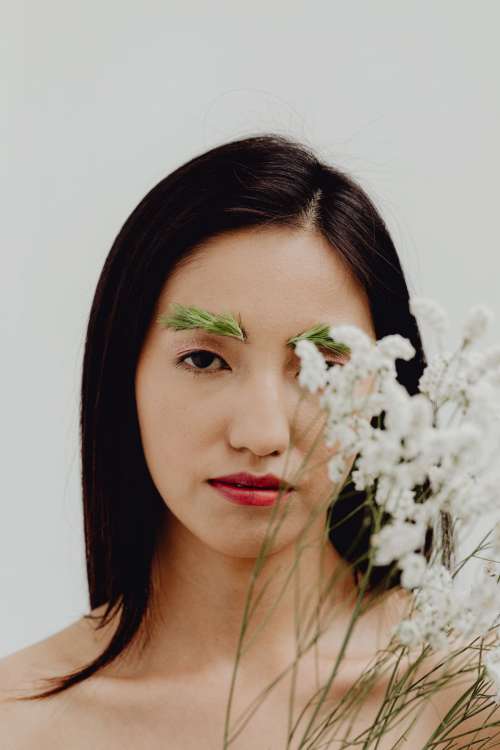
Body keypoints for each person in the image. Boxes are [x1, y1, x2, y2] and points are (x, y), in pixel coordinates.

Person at [0, 134, 492, 748]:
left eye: (326, 366)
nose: (262, 434)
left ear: (389, 389)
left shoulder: (469, 700)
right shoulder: (21, 721)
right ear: (123, 374)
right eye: (205, 359)